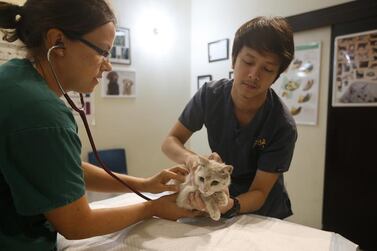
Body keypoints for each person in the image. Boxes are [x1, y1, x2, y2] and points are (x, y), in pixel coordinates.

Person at [0, 1, 198, 250]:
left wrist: (144, 184)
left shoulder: (15, 80)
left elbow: (60, 169)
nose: (108, 65)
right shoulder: (40, 111)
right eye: (102, 51)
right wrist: (152, 207)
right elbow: (76, 223)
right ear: (57, 41)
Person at [162, 16, 297, 220]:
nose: (254, 74)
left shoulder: (281, 125)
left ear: (276, 75)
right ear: (234, 58)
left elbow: (260, 192)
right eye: (248, 61)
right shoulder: (210, 95)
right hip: (218, 197)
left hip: (263, 213)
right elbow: (170, 142)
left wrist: (231, 205)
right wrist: (193, 161)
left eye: (267, 69)